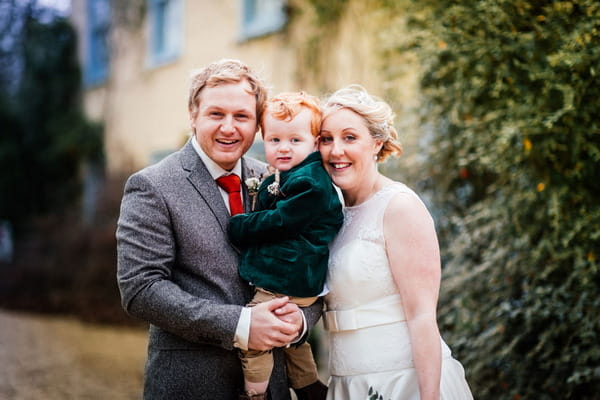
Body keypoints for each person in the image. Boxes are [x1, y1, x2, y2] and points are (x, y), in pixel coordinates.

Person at [116, 59, 323, 400]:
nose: (229, 127)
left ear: (257, 124)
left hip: (273, 386)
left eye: (241, 116)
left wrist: (299, 321)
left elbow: (314, 256)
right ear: (193, 115)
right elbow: (141, 289)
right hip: (193, 384)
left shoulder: (281, 181)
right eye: (216, 114)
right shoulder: (152, 186)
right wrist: (241, 325)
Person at [318, 85, 473, 400]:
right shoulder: (328, 213)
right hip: (346, 383)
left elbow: (422, 315)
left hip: (403, 382)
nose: (336, 151)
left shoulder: (399, 207)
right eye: (326, 139)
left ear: (376, 143)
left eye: (350, 137)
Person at [227, 92, 343, 399]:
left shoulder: (310, 182)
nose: (283, 148)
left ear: (315, 143)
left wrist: (240, 226)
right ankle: (309, 387)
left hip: (287, 274)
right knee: (291, 338)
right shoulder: (292, 173)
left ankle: (253, 394)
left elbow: (280, 220)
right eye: (275, 140)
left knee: (256, 333)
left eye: (295, 140)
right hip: (293, 275)